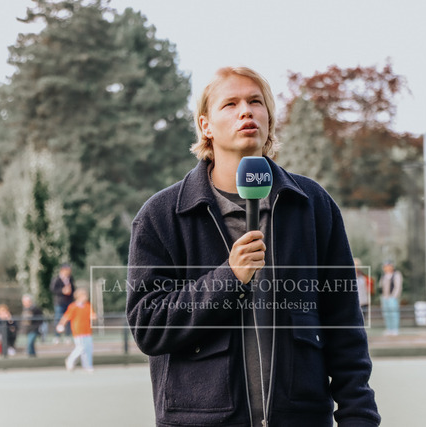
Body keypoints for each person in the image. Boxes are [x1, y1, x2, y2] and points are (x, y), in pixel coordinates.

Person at [126, 67, 380, 427]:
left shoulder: (313, 206)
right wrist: (228, 278)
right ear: (205, 125)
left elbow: (344, 328)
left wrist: (360, 419)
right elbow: (148, 326)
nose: (246, 111)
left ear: (269, 119)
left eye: (255, 102)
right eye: (230, 104)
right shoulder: (162, 216)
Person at [57, 288, 95, 372]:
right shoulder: (73, 306)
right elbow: (66, 317)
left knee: (89, 348)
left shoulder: (88, 305)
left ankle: (88, 366)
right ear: (79, 296)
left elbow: (92, 315)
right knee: (81, 347)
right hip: (78, 331)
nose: (86, 297)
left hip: (88, 330)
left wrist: (93, 317)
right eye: (84, 295)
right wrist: (61, 324)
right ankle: (70, 360)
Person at [49, 263, 75, 343]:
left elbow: (73, 288)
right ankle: (57, 336)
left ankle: (67, 336)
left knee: (68, 319)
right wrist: (62, 291)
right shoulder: (57, 279)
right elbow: (52, 289)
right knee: (58, 319)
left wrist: (70, 291)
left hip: (68, 302)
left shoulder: (70, 279)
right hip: (59, 302)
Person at [379, 261, 402, 336]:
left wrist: (393, 296)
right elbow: (381, 286)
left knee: (394, 313)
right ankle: (389, 329)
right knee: (386, 314)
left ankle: (395, 329)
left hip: (392, 297)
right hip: (384, 297)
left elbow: (397, 287)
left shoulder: (396, 274)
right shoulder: (384, 275)